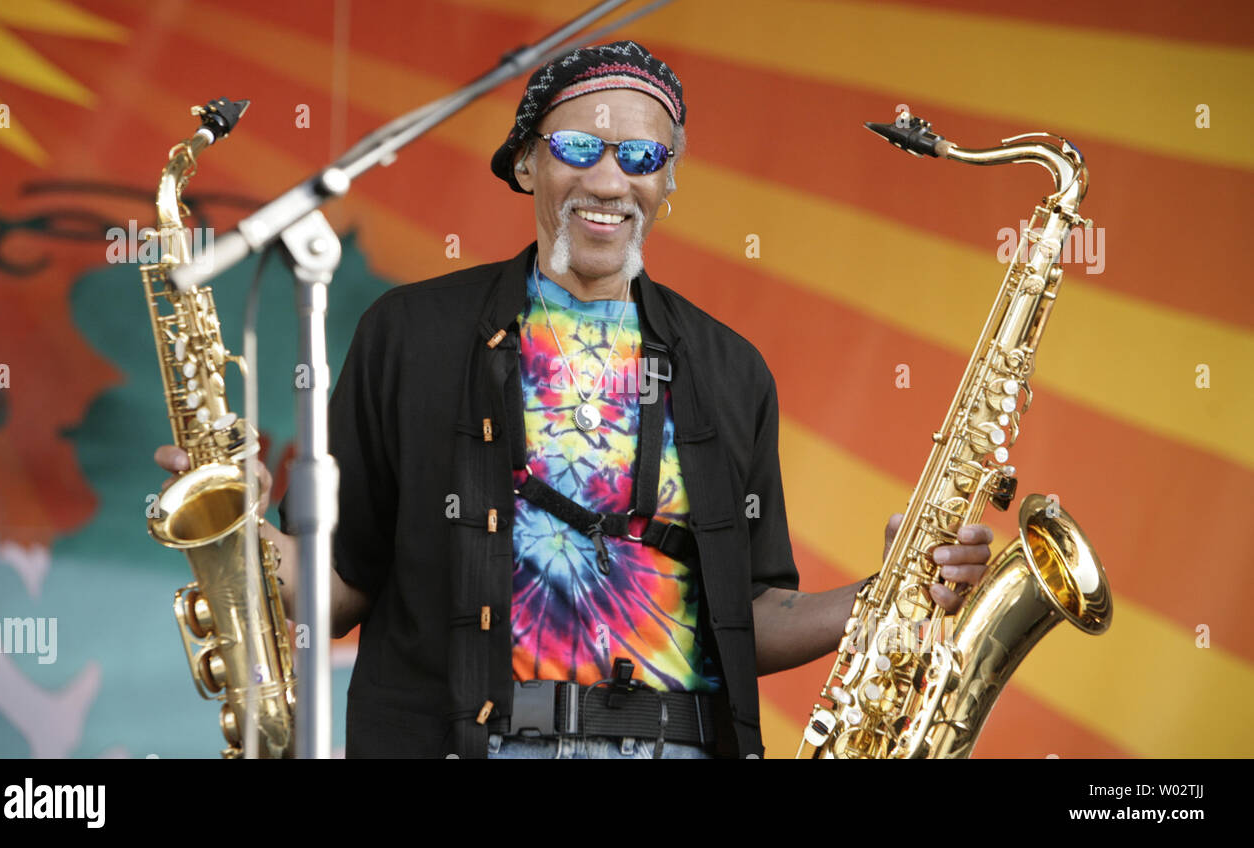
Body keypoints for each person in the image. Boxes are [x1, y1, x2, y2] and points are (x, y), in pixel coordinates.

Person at [154, 41, 993, 759]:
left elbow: (748, 615)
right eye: (578, 148)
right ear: (525, 161)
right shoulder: (409, 334)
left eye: (641, 158)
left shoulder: (732, 370)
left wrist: (897, 589)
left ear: (670, 181)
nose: (610, 180)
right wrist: (243, 535)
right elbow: (341, 588)